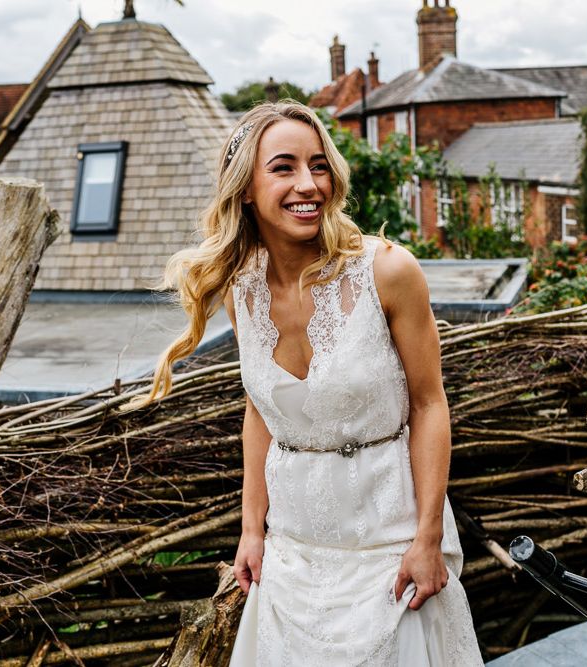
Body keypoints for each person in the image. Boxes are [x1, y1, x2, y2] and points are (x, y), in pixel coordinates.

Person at [129, 100, 482, 666]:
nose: (308, 184)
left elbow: (429, 404)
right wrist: (252, 531)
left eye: (318, 165)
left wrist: (428, 538)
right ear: (245, 188)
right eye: (284, 167)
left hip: (388, 546)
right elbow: (260, 413)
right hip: (292, 555)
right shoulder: (240, 292)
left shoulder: (389, 271)